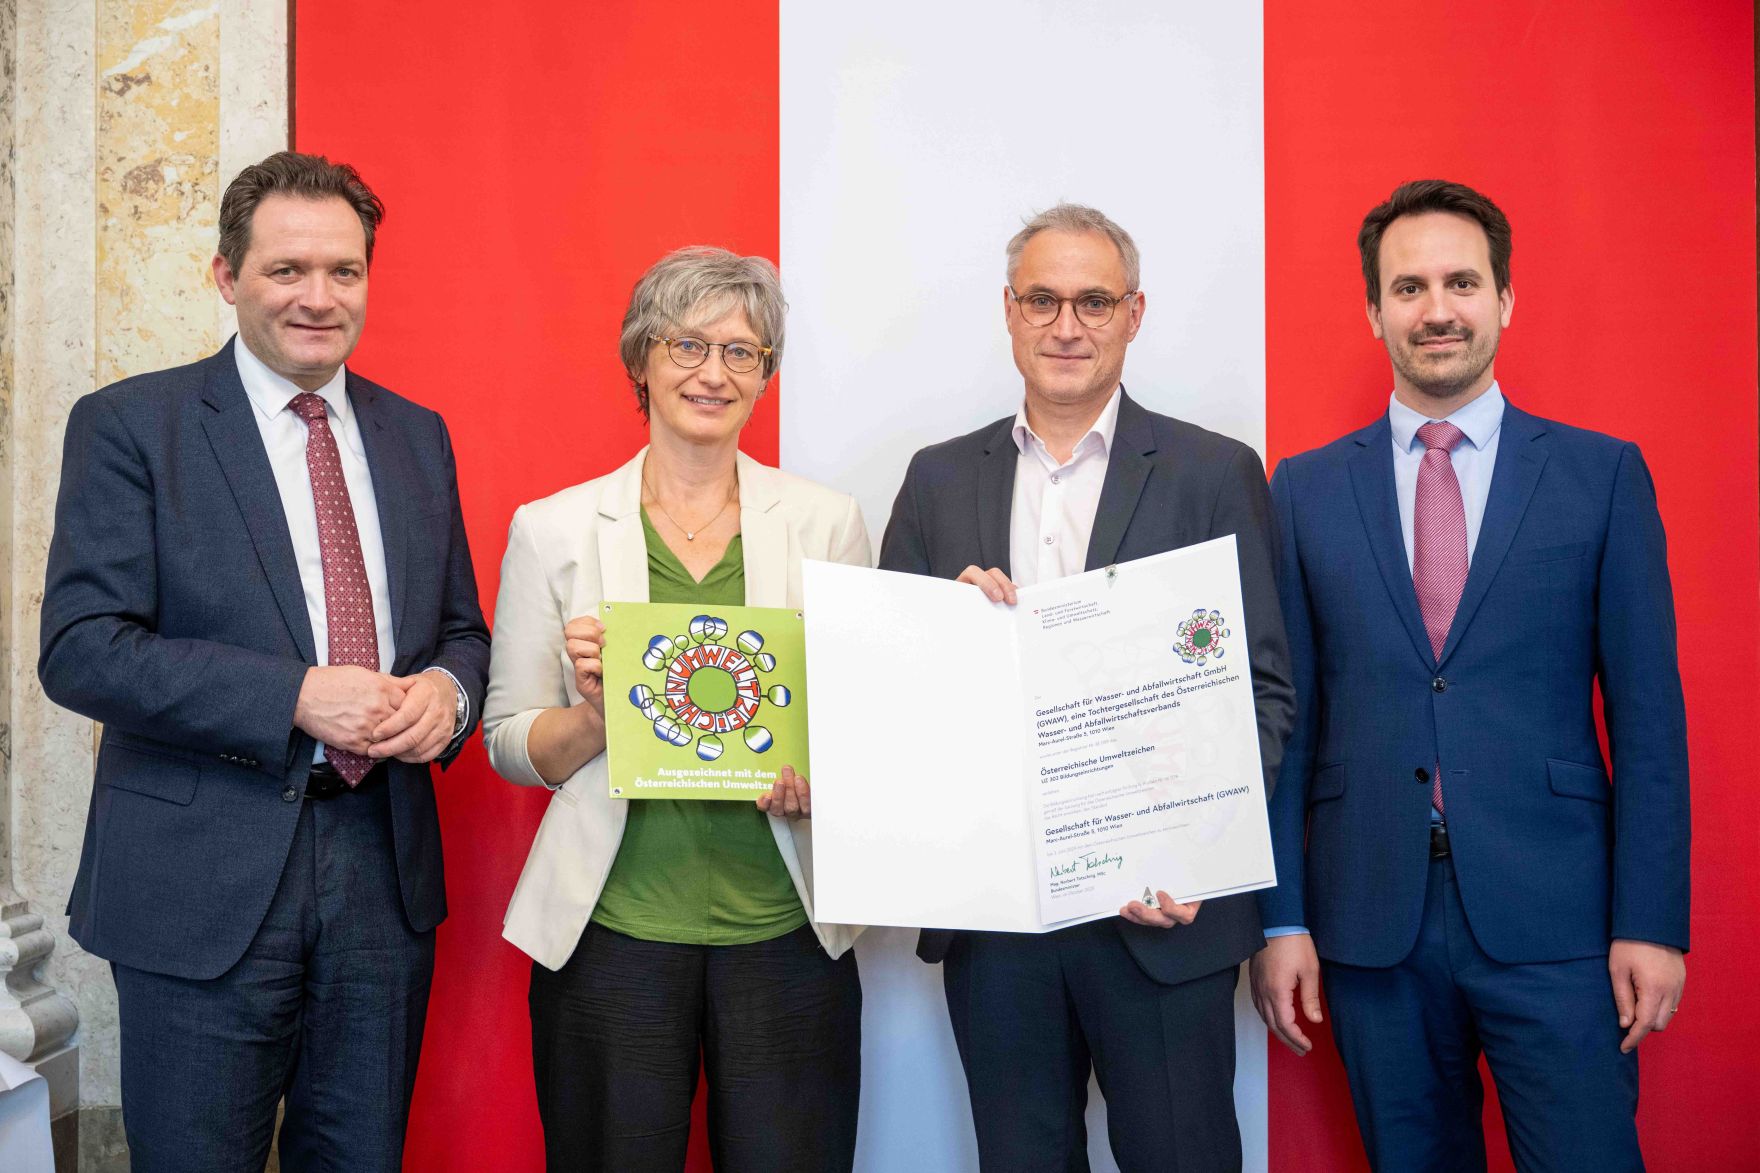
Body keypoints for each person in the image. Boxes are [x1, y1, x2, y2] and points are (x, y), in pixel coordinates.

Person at [37, 152, 490, 1172]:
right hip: (200, 885)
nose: (318, 298)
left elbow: (462, 629)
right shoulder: (130, 426)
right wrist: (291, 696)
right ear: (224, 275)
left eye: (344, 271)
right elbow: (81, 651)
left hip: (381, 877)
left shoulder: (417, 436)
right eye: (287, 270)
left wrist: (447, 696)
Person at [1249, 179, 1689, 1170]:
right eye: (1406, 287)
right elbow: (1286, 718)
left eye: (1460, 282)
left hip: (1560, 924)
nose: (1434, 308)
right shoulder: (1305, 489)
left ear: (1503, 300)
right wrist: (1278, 917)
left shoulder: (1597, 474)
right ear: (1372, 310)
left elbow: (1648, 719)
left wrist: (1652, 924)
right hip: (1369, 924)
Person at [878, 204, 1294, 1172]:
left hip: (1161, 918)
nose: (1067, 325)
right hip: (997, 921)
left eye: (1093, 301)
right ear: (1009, 313)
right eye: (1043, 300)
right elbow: (895, 699)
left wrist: (1193, 851)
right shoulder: (936, 482)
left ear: (1133, 314)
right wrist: (942, 626)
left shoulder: (1212, 472)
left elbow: (1263, 694)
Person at [482, 246, 868, 1172]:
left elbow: (862, 728)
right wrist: (598, 714)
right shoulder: (556, 527)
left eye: (743, 353)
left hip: (786, 927)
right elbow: (506, 742)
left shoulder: (828, 523)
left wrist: (823, 780)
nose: (713, 372)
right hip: (611, 932)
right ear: (641, 360)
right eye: (688, 344)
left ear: (766, 378)